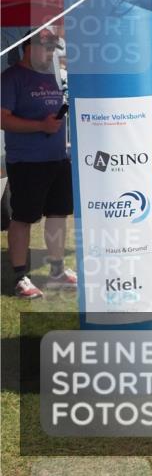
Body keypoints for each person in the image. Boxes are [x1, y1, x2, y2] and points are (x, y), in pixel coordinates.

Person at [0, 29, 77, 299]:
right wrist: (40, 126)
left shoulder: (49, 77)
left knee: (58, 214)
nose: (51, 53)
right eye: (47, 48)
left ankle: (57, 270)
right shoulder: (11, 78)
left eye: (53, 48)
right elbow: (3, 119)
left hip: (57, 158)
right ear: (29, 48)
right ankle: (21, 277)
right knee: (23, 218)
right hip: (26, 161)